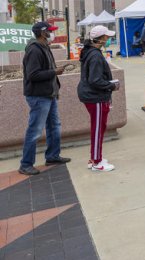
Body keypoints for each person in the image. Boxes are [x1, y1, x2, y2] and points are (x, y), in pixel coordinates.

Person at [19, 22, 71, 176]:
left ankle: (52, 156)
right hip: (39, 97)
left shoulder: (44, 47)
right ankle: (26, 164)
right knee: (34, 131)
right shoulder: (34, 50)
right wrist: (54, 72)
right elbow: (33, 75)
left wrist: (53, 74)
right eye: (50, 31)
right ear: (43, 33)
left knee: (54, 126)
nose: (52, 33)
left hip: (49, 94)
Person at [78, 25, 120, 172]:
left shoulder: (90, 51)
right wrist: (111, 85)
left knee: (98, 128)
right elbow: (95, 80)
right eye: (106, 37)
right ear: (101, 39)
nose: (108, 39)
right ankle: (96, 161)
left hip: (91, 95)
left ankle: (95, 158)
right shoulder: (95, 55)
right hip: (94, 96)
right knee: (97, 129)